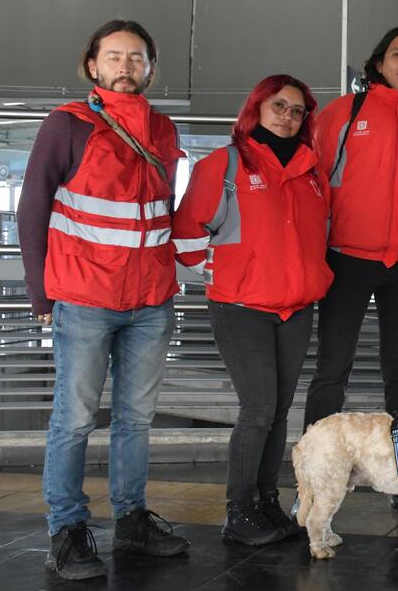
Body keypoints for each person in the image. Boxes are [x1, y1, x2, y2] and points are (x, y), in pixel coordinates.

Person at [17, 19, 190, 581]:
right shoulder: (67, 125)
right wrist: (40, 292)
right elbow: (33, 207)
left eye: (136, 58)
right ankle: (65, 530)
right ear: (92, 65)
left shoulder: (163, 130)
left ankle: (132, 520)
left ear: (150, 68)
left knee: (136, 420)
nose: (125, 66)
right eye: (113, 56)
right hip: (84, 297)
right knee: (74, 419)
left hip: (151, 301)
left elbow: (166, 211)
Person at [172, 75, 333, 546]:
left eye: (297, 110)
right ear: (256, 108)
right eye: (278, 106)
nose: (287, 116)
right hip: (242, 308)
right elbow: (186, 236)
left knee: (280, 411)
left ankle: (266, 502)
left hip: (296, 308)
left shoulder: (312, 170)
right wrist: (226, 269)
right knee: (259, 409)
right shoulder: (223, 164)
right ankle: (239, 512)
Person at [302, 27, 398, 513]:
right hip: (347, 258)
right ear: (379, 63)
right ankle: (315, 477)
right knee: (332, 368)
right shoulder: (343, 114)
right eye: (397, 55)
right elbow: (313, 183)